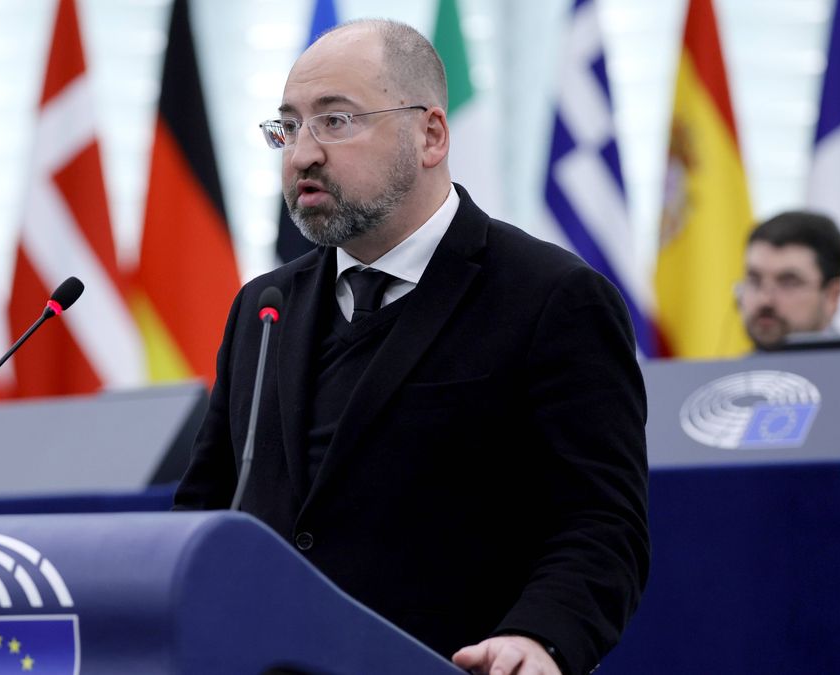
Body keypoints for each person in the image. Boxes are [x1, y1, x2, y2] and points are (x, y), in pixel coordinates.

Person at [174, 19, 648, 675]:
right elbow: (205, 510)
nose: (302, 154)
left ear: (429, 135)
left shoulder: (552, 298)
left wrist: (539, 637)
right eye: (288, 126)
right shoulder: (264, 307)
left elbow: (602, 523)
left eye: (335, 121)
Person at [736, 210, 840, 351]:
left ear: (832, 296)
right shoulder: (726, 372)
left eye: (788, 283)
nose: (765, 300)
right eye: (754, 280)